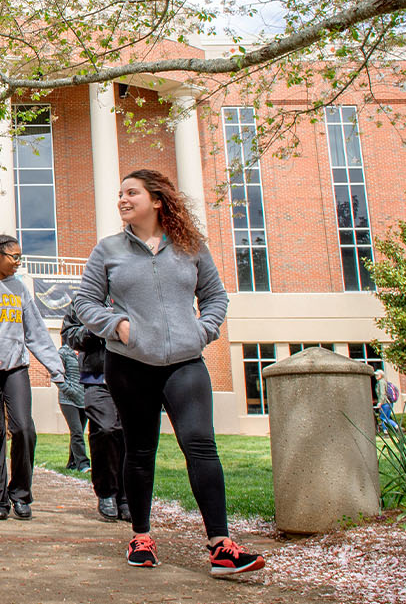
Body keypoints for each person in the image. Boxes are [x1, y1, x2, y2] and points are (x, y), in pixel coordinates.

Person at [72, 169, 265, 576]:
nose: (122, 199)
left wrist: (201, 330)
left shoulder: (191, 247)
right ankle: (141, 537)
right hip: (129, 364)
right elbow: (86, 302)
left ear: (157, 200)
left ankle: (221, 546)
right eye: (120, 194)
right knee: (140, 450)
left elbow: (214, 296)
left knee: (200, 445)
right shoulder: (108, 249)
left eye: (131, 193)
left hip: (185, 363)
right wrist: (117, 327)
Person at [0, 234, 65, 521]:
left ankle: (20, 493)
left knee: (24, 430)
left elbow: (36, 331)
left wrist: (56, 368)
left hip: (16, 367)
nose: (19, 261)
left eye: (20, 256)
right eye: (14, 256)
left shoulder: (19, 288)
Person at [61, 303, 130, 523]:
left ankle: (127, 498)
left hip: (133, 374)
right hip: (97, 377)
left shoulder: (133, 288)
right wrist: (95, 327)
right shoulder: (86, 298)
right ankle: (107, 492)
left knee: (130, 436)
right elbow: (69, 335)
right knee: (106, 428)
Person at [58, 341, 91, 472]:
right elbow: (57, 375)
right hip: (68, 400)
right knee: (77, 431)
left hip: (83, 398)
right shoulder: (63, 353)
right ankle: (83, 464)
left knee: (78, 432)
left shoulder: (85, 351)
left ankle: (72, 463)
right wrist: (69, 390)